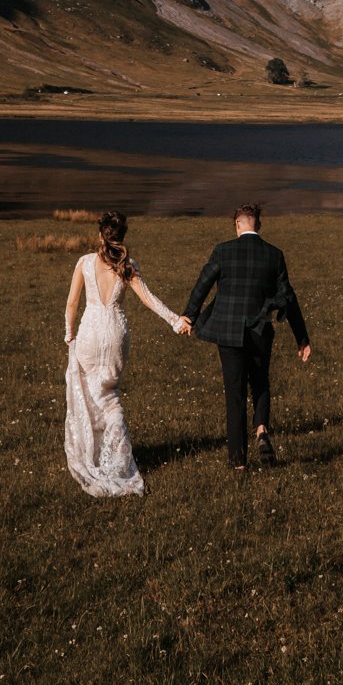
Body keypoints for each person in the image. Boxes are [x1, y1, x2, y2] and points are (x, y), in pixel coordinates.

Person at [178, 202, 310, 470]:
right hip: (260, 329)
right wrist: (302, 338)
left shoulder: (223, 251)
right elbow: (289, 297)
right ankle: (261, 430)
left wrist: (189, 315)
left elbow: (202, 284)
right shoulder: (274, 255)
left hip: (228, 332)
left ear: (237, 225)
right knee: (261, 382)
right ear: (258, 225)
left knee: (235, 394)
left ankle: (238, 462)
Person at [63, 209, 185, 497]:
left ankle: (92, 456)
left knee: (89, 395)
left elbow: (71, 304)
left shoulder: (84, 263)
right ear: (121, 237)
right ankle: (116, 459)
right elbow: (148, 299)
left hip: (91, 332)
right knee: (111, 395)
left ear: (100, 235)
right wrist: (175, 320)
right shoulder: (126, 264)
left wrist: (69, 333)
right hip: (116, 333)